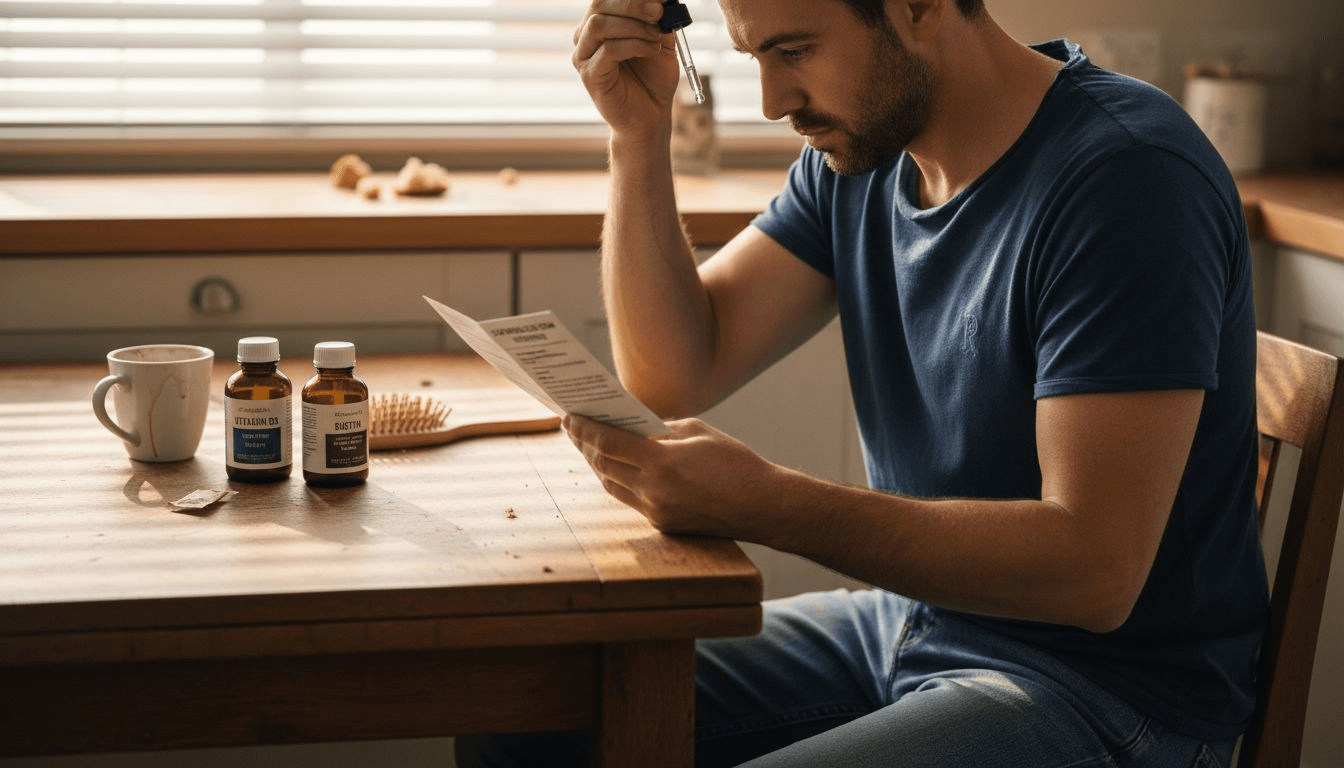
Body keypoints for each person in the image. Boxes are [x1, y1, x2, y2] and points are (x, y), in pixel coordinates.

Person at [457, 0, 1268, 765]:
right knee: (528, 714)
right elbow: (677, 367)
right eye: (754, 57)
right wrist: (637, 136)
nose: (774, 102)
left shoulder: (1128, 176)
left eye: (796, 50)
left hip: (1105, 693)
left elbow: (1094, 574)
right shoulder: (863, 158)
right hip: (914, 625)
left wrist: (766, 502)